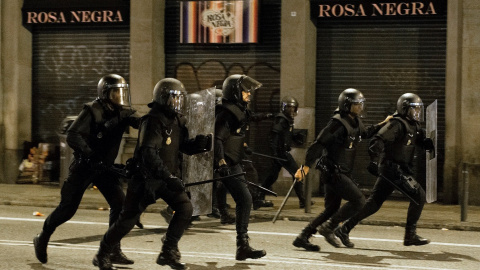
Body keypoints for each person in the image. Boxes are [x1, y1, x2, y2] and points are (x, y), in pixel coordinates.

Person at [92, 78, 211, 270]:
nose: (177, 103)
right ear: (163, 99)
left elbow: (179, 148)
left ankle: (168, 251)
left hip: (166, 178)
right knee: (127, 220)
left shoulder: (177, 120)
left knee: (185, 209)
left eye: (180, 99)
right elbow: (148, 153)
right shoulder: (153, 121)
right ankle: (103, 253)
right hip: (145, 180)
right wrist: (168, 177)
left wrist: (197, 146)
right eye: (174, 99)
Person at [33, 74, 140, 265]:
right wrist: (89, 153)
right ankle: (42, 237)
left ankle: (113, 250)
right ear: (105, 92)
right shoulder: (93, 110)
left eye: (121, 92)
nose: (119, 95)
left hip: (104, 169)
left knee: (120, 204)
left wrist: (156, 120)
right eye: (116, 91)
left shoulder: (123, 112)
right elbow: (72, 135)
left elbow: (141, 123)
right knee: (67, 209)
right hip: (85, 166)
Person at [292, 88, 392, 251]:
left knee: (331, 209)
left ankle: (303, 236)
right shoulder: (337, 123)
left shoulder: (355, 120)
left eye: (361, 104)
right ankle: (329, 227)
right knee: (359, 201)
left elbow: (365, 133)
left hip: (341, 172)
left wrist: (384, 123)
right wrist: (305, 167)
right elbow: (318, 145)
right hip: (333, 173)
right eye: (356, 104)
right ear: (346, 105)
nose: (360, 107)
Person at [335, 93, 434, 248]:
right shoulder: (397, 124)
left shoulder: (413, 125)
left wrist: (425, 143)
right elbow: (377, 140)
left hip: (399, 169)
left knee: (374, 203)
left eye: (418, 109)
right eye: (413, 109)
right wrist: (374, 160)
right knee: (419, 196)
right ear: (404, 109)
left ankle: (344, 229)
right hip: (392, 169)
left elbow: (411, 141)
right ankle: (410, 235)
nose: (417, 112)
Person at [214, 74, 266, 260]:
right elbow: (217, 139)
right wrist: (220, 162)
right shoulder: (227, 113)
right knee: (189, 205)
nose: (249, 95)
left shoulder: (238, 110)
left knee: (244, 199)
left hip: (232, 162)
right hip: (225, 163)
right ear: (235, 92)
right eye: (245, 91)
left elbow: (246, 123)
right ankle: (169, 240)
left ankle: (242, 246)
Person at [258, 96, 308, 209]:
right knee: (297, 173)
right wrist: (275, 154)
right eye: (289, 107)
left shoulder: (287, 120)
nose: (291, 110)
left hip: (282, 152)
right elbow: (274, 136)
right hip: (281, 153)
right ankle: (303, 200)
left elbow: (284, 135)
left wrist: (295, 137)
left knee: (272, 176)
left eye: (293, 108)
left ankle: (259, 195)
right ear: (284, 108)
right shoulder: (281, 119)